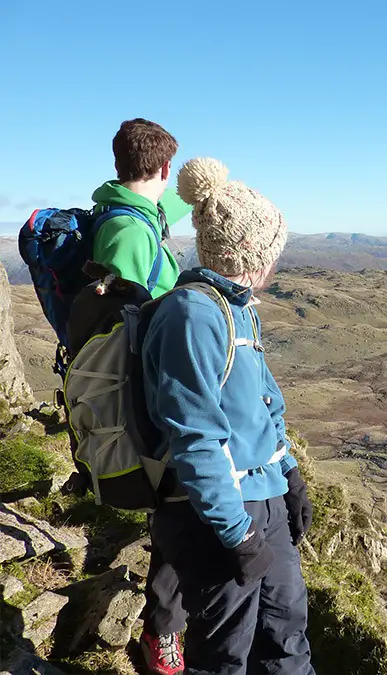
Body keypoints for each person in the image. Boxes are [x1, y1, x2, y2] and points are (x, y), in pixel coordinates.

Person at [141, 157, 315, 675]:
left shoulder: (240, 308)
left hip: (265, 504)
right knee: (224, 655)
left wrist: (288, 474)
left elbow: (265, 405)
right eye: (272, 253)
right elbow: (194, 438)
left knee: (286, 635)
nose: (276, 264)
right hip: (215, 519)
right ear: (251, 255)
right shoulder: (191, 315)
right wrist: (236, 533)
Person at [92, 118, 192, 675]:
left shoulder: (134, 212)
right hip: (147, 392)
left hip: (152, 385)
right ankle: (164, 634)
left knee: (178, 500)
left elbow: (176, 203)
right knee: (177, 504)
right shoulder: (130, 232)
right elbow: (135, 326)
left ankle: (169, 619)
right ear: (162, 167)